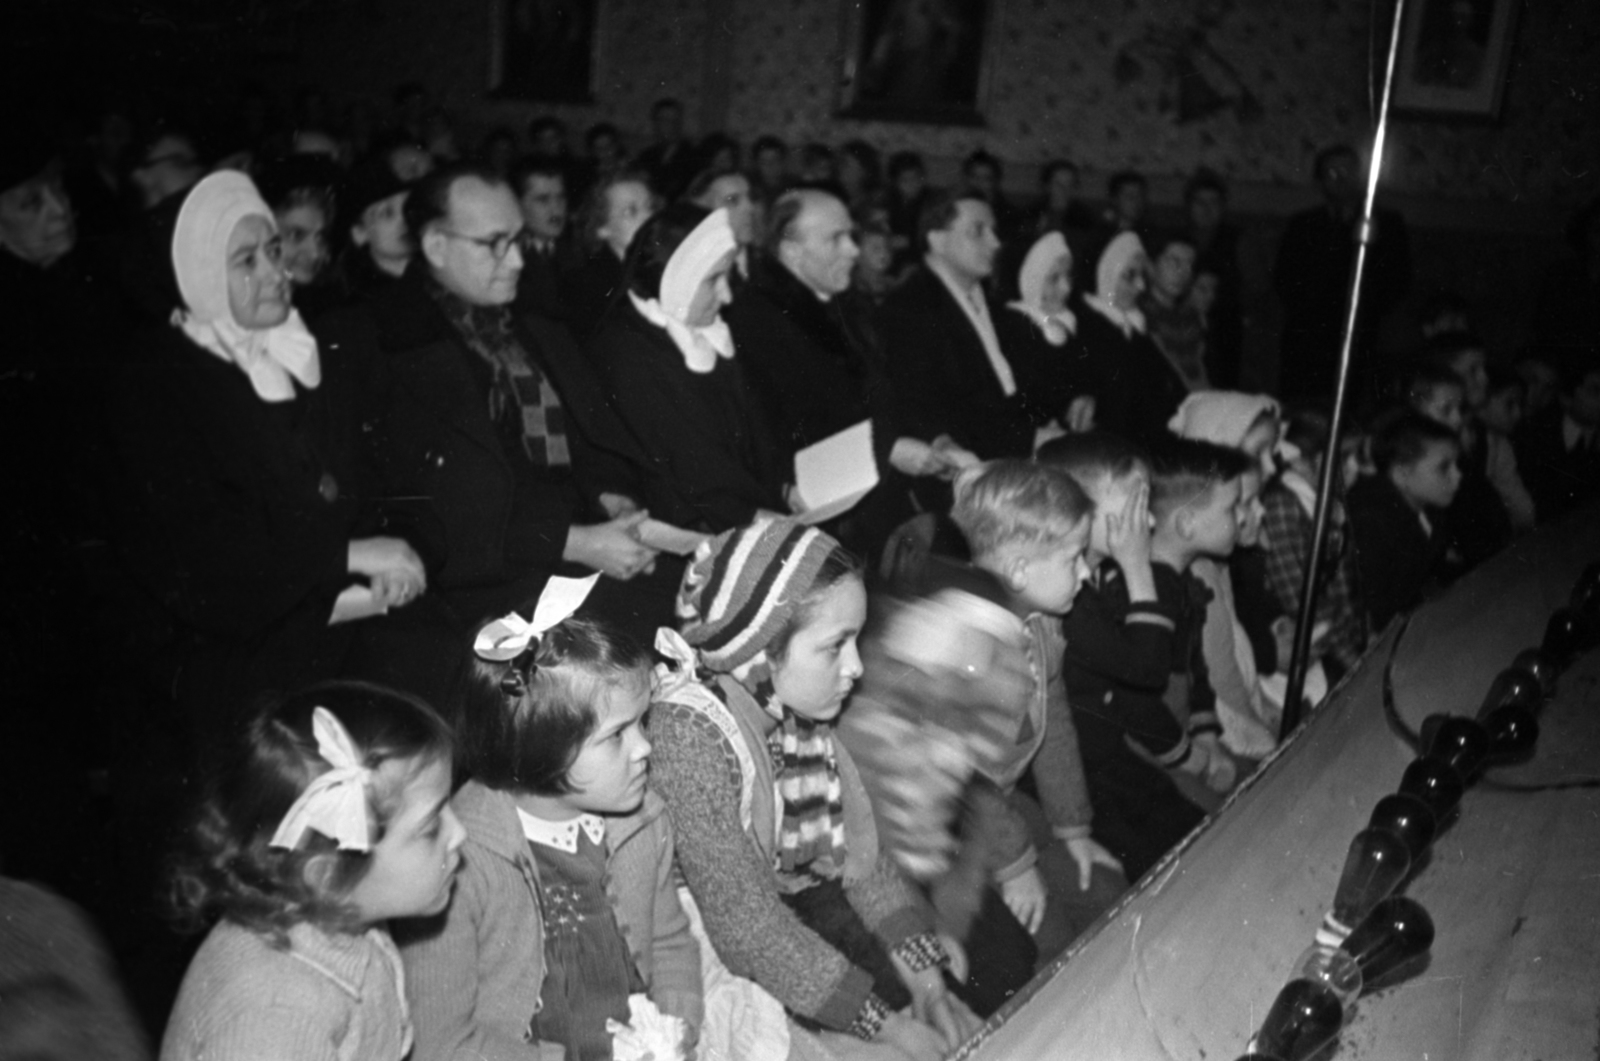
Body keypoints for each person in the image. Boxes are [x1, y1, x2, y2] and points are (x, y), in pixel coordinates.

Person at [110, 172, 453, 742]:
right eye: (247, 261)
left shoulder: (308, 348)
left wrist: (400, 549)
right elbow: (201, 563)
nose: (277, 273)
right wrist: (347, 556)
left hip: (333, 618)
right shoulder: (155, 385)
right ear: (197, 277)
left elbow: (376, 479)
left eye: (273, 251)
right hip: (236, 649)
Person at [650, 518, 982, 1059]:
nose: (855, 668)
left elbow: (862, 859)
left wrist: (926, 983)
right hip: (692, 953)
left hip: (777, 911)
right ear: (759, 653)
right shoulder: (689, 740)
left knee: (943, 996)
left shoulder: (789, 706)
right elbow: (748, 931)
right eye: (835, 647)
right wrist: (888, 1027)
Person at [319, 162, 660, 638]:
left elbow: (590, 439)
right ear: (436, 245)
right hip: (470, 594)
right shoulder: (381, 340)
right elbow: (431, 507)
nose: (516, 260)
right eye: (493, 244)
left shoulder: (533, 320)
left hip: (575, 556)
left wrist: (614, 499)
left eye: (517, 240)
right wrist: (572, 542)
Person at [397, 579, 702, 1061]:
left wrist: (678, 1023)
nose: (645, 748)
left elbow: (668, 940)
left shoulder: (644, 819)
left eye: (643, 722)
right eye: (618, 735)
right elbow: (444, 1041)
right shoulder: (459, 862)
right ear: (543, 749)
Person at [161, 681, 465, 1061]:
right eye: (432, 826)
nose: (460, 833)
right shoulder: (276, 1013)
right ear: (326, 878)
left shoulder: (346, 918)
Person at [947, 460, 1128, 957]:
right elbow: (970, 776)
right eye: (1074, 559)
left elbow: (1058, 726)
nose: (1087, 573)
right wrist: (1017, 866)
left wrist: (1074, 827)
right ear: (1020, 570)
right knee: (1045, 940)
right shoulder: (972, 650)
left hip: (996, 806)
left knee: (1105, 889)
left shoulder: (1039, 624)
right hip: (941, 823)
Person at [1044, 434, 1244, 880]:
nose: (1150, 520)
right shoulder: (1069, 600)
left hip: (1110, 752)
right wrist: (1137, 566)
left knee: (1205, 835)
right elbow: (1147, 673)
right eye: (1135, 507)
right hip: (1082, 771)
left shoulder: (1090, 580)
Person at [722, 188, 939, 555]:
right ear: (792, 251)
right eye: (836, 239)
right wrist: (886, 448)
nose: (853, 251)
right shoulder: (756, 321)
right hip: (819, 522)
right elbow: (792, 426)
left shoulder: (842, 305)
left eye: (851, 237)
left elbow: (883, 390)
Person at [588, 203, 788, 533]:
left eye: (728, 276)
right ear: (677, 280)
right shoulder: (627, 352)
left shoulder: (707, 328)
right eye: (713, 280)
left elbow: (758, 434)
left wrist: (782, 487)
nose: (726, 295)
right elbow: (684, 467)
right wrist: (751, 516)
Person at [877, 192, 1045, 475]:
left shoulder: (997, 307)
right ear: (937, 240)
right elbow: (918, 407)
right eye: (978, 231)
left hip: (1013, 460)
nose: (995, 243)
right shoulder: (907, 309)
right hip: (961, 471)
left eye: (993, 231)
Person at [1274, 144, 1411, 403]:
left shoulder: (1387, 223)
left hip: (1363, 333)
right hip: (1309, 336)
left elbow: (1398, 280)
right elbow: (1285, 280)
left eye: (1348, 171)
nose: (1341, 179)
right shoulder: (1303, 225)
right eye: (1332, 172)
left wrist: (1362, 311)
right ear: (1320, 180)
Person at [1348, 411, 1464, 630]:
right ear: (1402, 474)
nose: (1458, 476)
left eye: (1456, 465)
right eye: (1444, 467)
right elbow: (1375, 611)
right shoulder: (1372, 523)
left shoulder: (1430, 509)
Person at [1076, 231, 1189, 444]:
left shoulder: (1132, 327)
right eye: (1129, 276)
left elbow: (1174, 391)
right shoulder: (1086, 330)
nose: (1141, 286)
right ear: (1106, 275)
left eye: (1142, 276)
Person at [1004, 231, 1096, 435]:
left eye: (1068, 276)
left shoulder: (1071, 322)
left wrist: (1085, 398)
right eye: (1054, 278)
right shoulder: (1014, 325)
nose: (1066, 288)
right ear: (1032, 278)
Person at [566, 170, 656, 337]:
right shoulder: (592, 290)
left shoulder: (660, 266)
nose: (649, 217)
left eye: (650, 207)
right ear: (601, 228)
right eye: (630, 212)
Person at [1512, 356, 1600, 523]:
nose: (1536, 394)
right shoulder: (1534, 432)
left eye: (1548, 388)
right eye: (1595, 390)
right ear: (1566, 397)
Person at [512, 157, 584, 321]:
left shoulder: (580, 249)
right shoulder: (509, 258)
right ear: (517, 204)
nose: (556, 208)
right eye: (543, 199)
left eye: (561, 197)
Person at [1139, 232, 1209, 391]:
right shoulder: (1139, 315)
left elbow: (1198, 374)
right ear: (1151, 266)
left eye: (1189, 264)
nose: (1183, 272)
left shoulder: (1191, 318)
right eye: (1174, 262)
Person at [340, 160, 413, 303]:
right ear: (359, 233)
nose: (404, 220)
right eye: (387, 213)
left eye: (408, 208)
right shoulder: (364, 303)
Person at [632, 98, 697, 202]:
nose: (672, 126)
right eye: (665, 120)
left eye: (675, 120)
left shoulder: (693, 156)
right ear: (655, 124)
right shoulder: (646, 156)